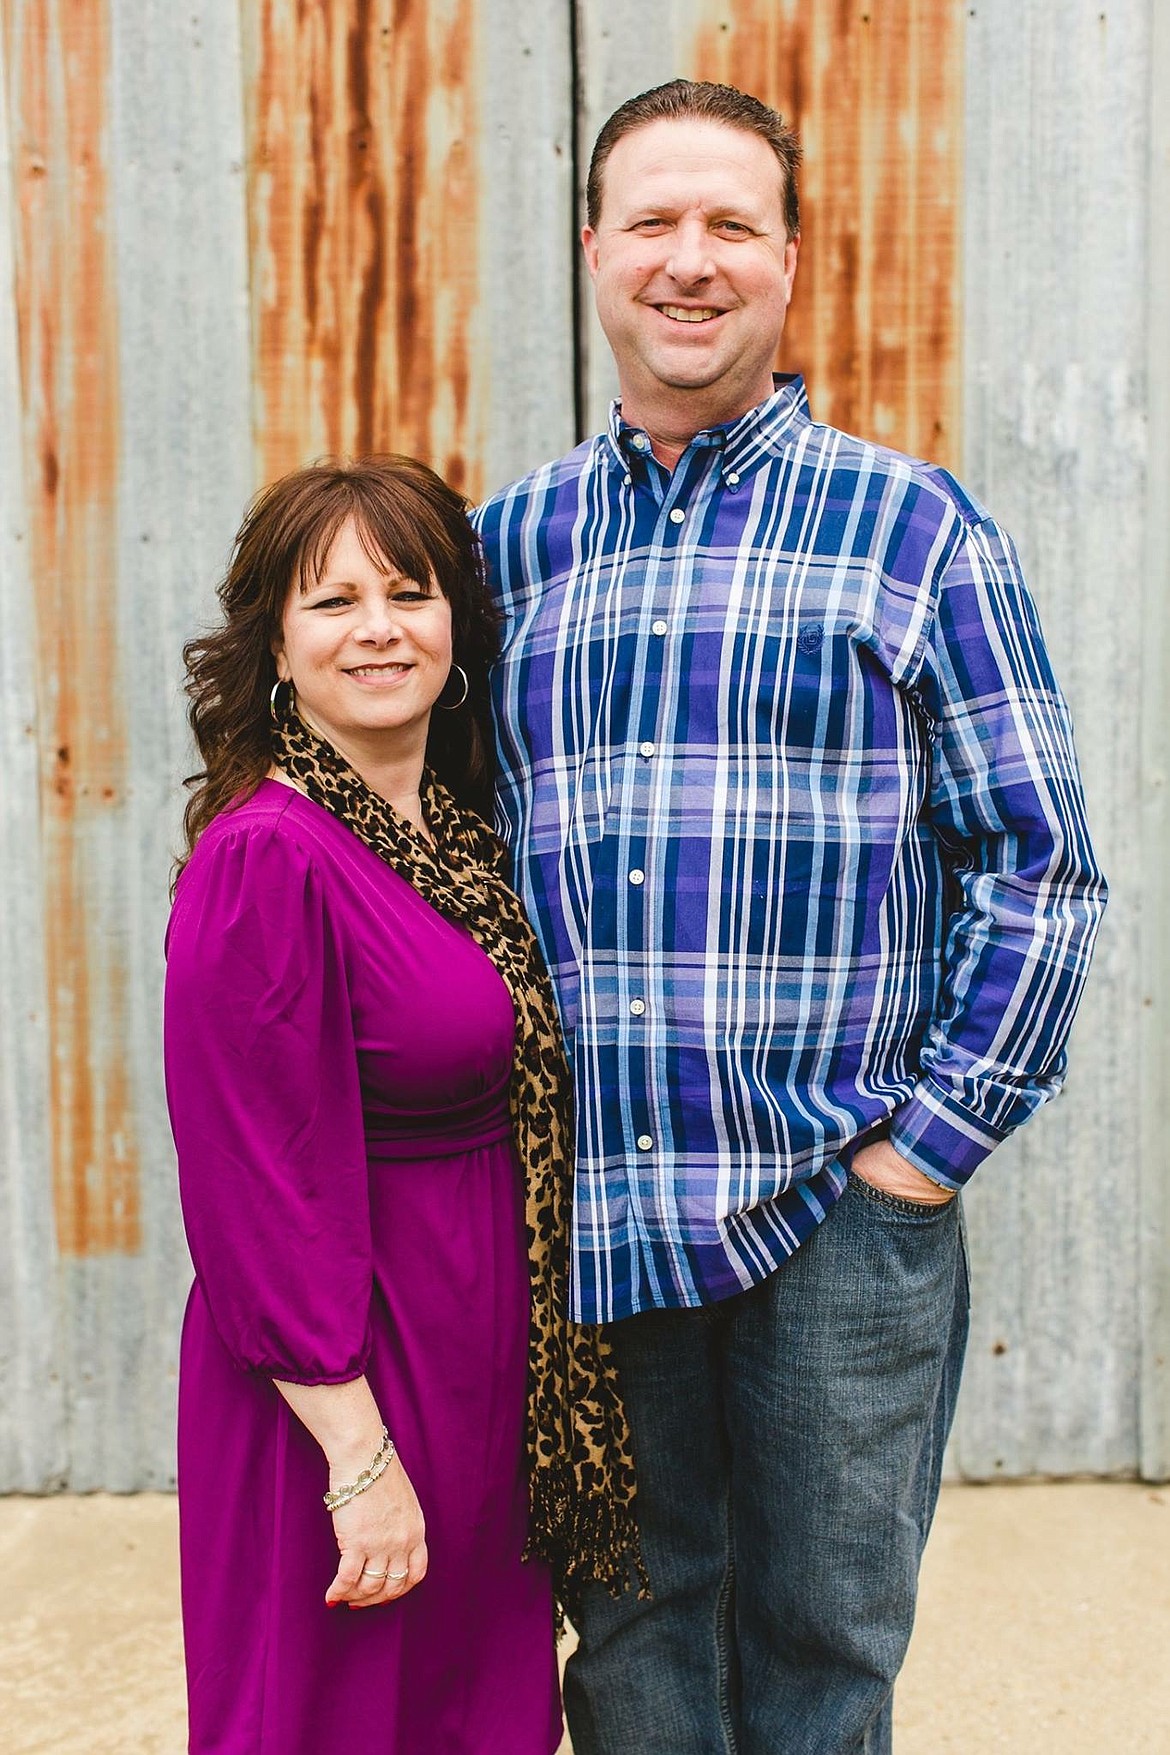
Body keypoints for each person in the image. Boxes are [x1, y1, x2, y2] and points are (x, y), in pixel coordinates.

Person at [472, 80, 1107, 1754]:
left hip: (836, 1208)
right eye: (654, 223)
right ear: (593, 250)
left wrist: (920, 1155)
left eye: (730, 224)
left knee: (825, 1645)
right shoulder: (503, 552)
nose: (691, 262)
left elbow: (1038, 863)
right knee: (628, 1638)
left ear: (788, 261)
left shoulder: (915, 531)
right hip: (595, 1208)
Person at [164, 456, 640, 1755]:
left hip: (485, 1364)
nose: (378, 628)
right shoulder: (269, 855)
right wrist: (357, 1460)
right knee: (339, 1716)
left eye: (409, 592)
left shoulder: (458, 837)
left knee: (465, 1715)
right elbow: (255, 1188)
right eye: (332, 602)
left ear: (457, 629)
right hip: (342, 1384)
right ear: (272, 645)